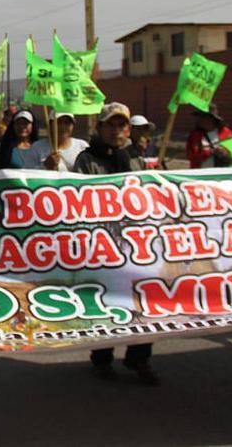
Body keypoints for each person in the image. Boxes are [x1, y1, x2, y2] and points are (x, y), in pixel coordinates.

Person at [74, 102, 159, 385]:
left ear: (129, 130)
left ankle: (139, 358)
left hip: (136, 245)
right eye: (110, 124)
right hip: (101, 246)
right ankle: (102, 359)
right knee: (107, 304)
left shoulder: (135, 159)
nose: (116, 130)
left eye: (121, 125)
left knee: (142, 303)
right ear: (99, 128)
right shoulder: (87, 161)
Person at [186, 104, 232, 168]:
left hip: (222, 174)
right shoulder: (195, 135)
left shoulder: (226, 133)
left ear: (213, 119)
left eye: (204, 117)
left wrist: (225, 152)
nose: (201, 120)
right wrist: (210, 152)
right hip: (200, 173)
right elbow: (191, 155)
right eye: (200, 117)